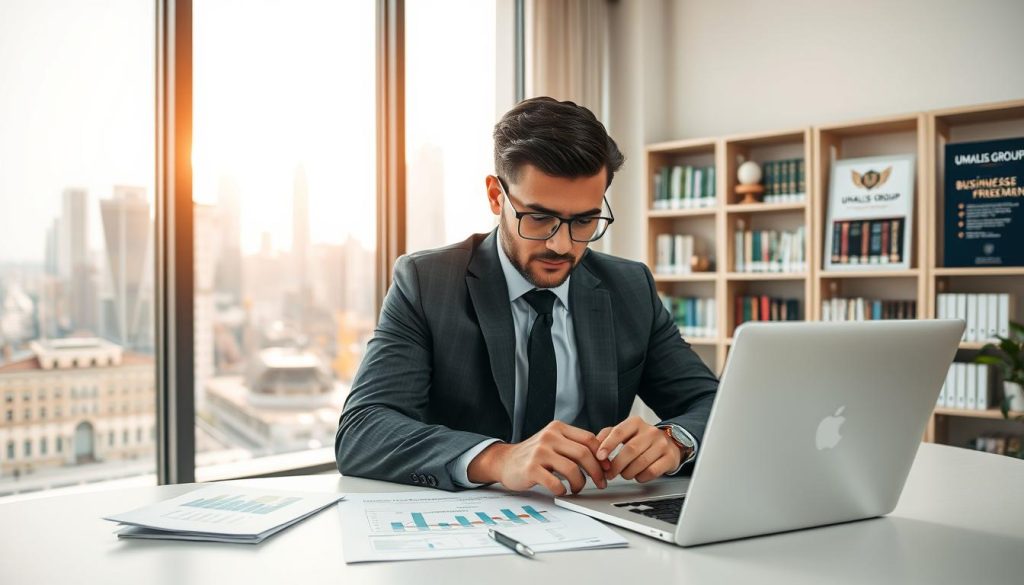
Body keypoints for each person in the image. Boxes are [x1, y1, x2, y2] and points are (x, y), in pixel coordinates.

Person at [335, 97, 718, 495]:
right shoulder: (427, 282)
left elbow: (716, 405)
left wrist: (676, 440)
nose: (561, 244)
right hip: (465, 530)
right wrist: (499, 458)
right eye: (539, 217)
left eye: (584, 221)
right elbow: (363, 430)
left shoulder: (630, 287)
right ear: (496, 196)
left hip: (595, 521)